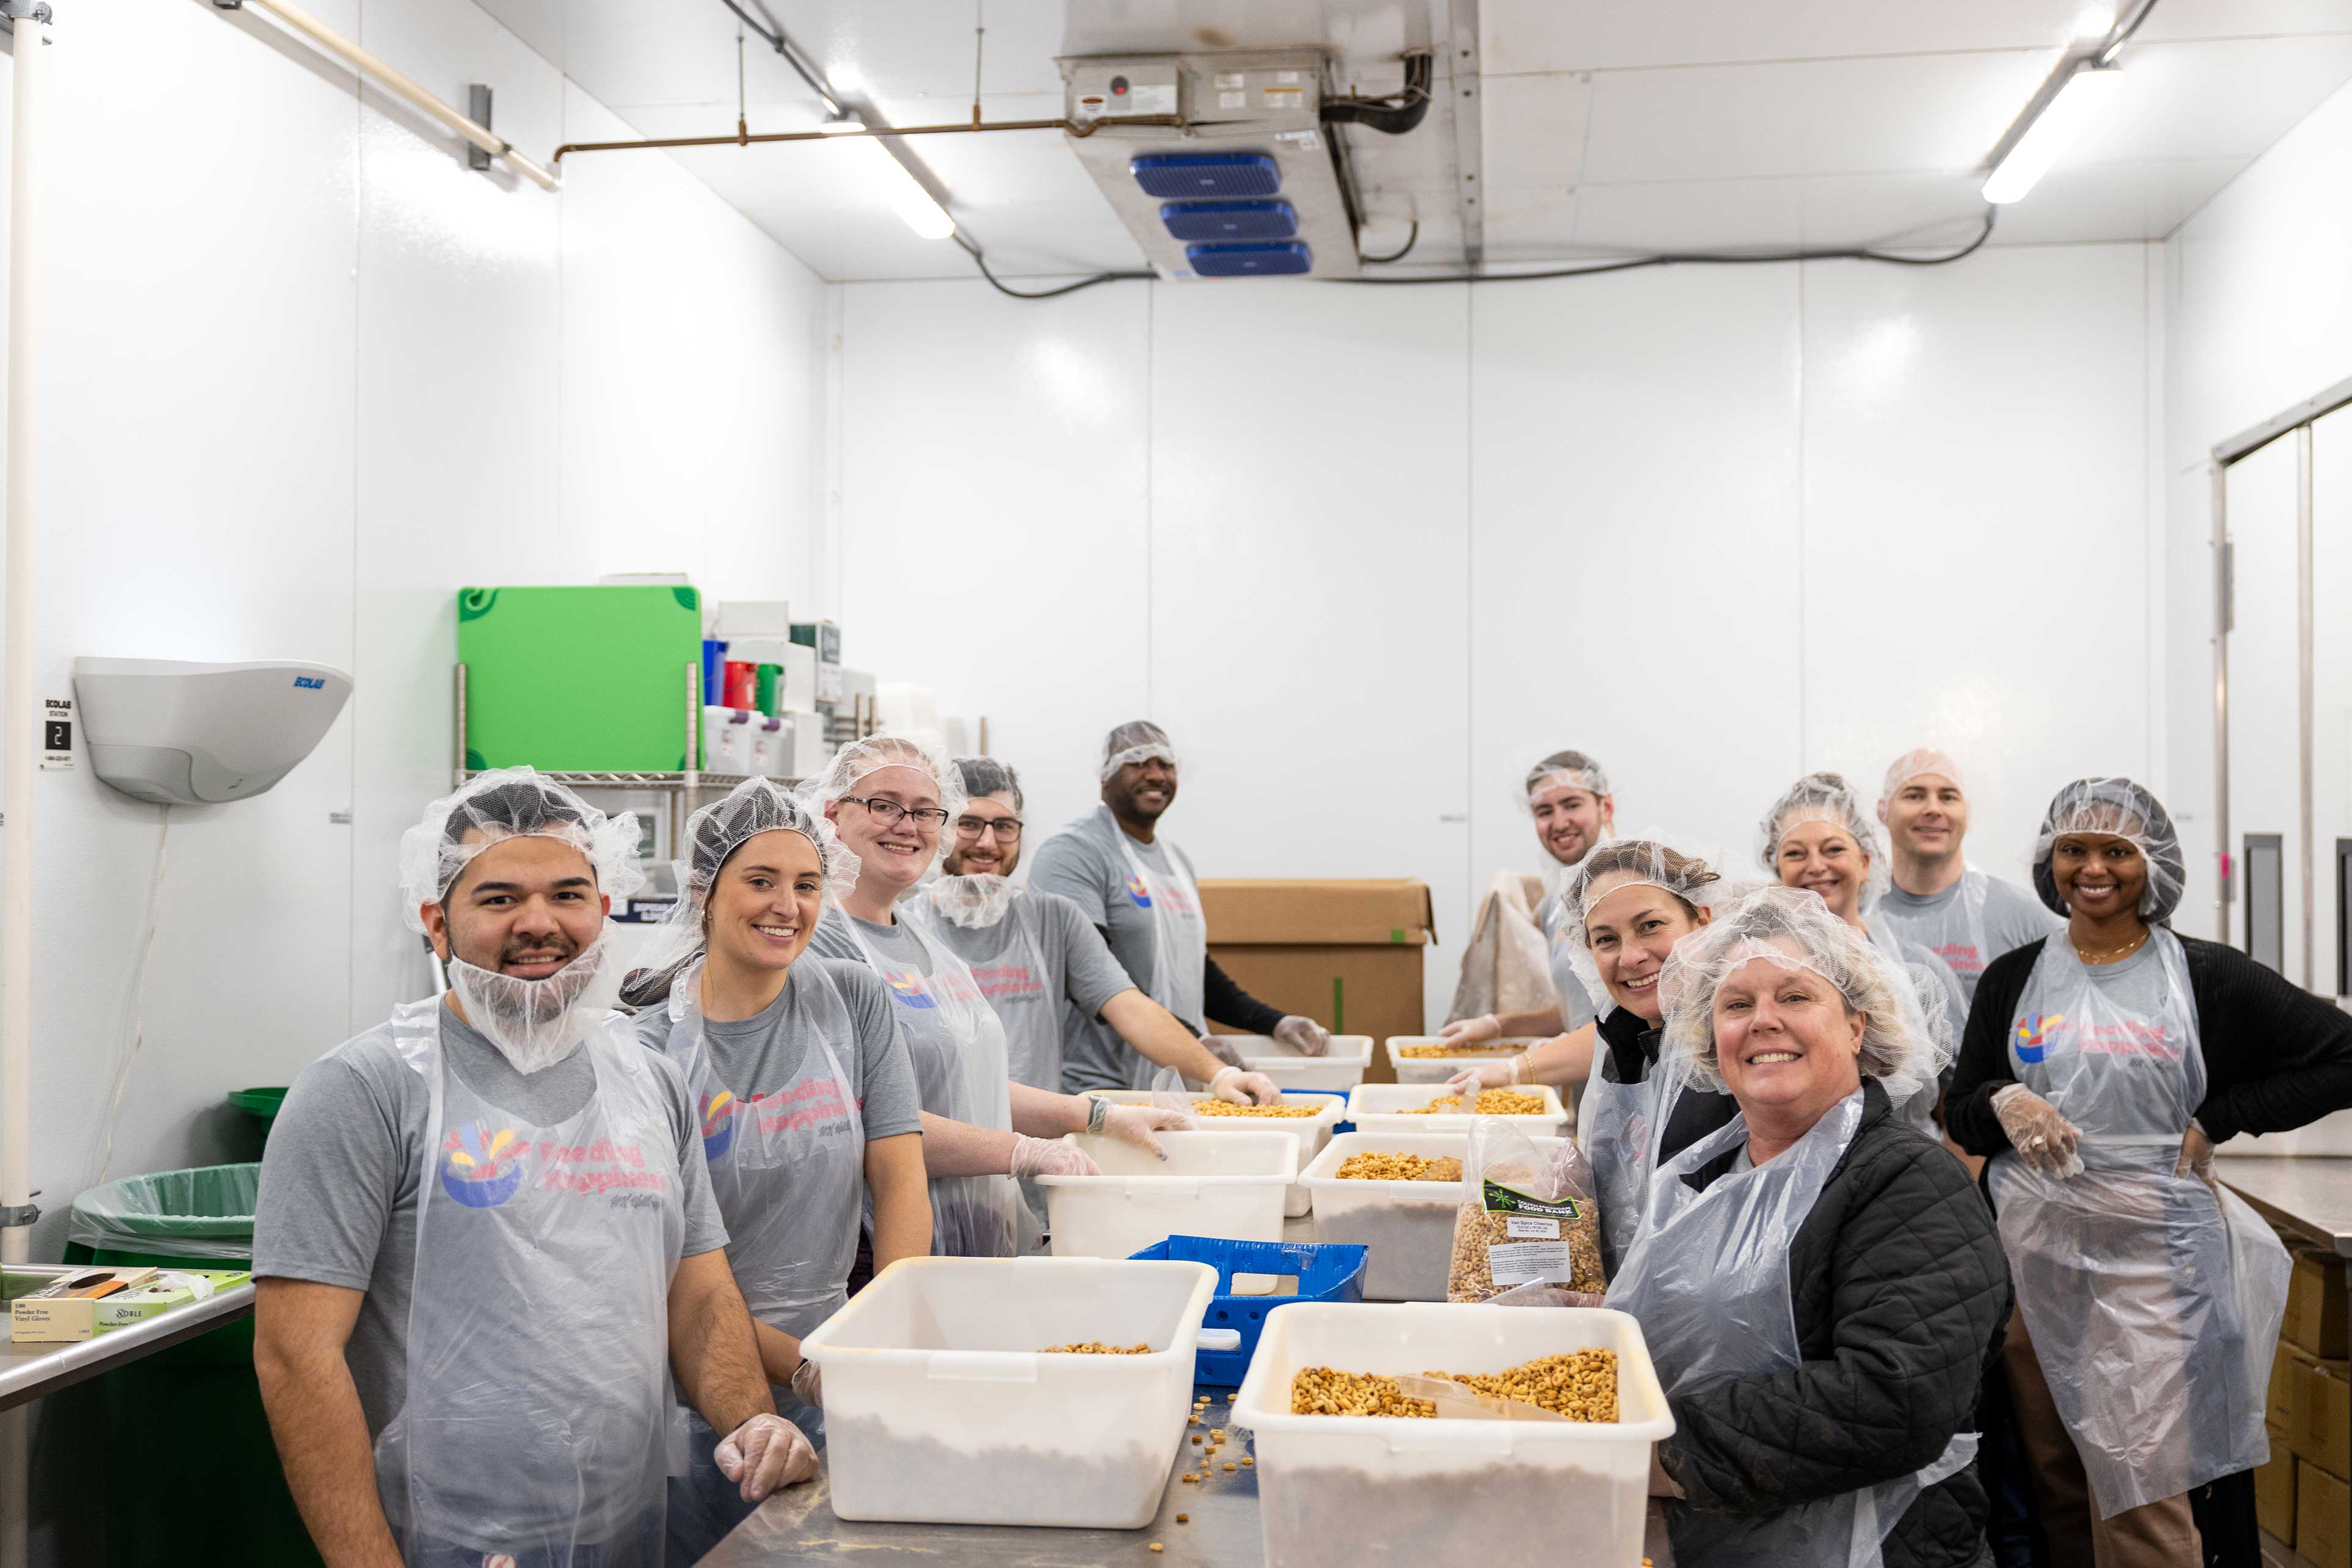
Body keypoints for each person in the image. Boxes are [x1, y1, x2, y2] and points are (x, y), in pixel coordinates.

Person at [253, 770, 813, 1567]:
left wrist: (752, 1421)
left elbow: (698, 1294)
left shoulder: (646, 1074)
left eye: (568, 893)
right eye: (498, 898)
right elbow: (294, 1356)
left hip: (630, 1526)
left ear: (604, 909)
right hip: (441, 1539)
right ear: (434, 922)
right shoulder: (366, 1086)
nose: (539, 922)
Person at [1946, 777, 2352, 1567]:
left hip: (2157, 1258)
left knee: (2141, 1480)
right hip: (2036, 1257)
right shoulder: (2013, 977)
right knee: (2058, 1472)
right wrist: (2004, 1100)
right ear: (2049, 860)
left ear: (2151, 862)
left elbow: (2342, 1054)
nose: (2092, 867)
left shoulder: (2207, 976)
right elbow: (1959, 1106)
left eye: (2115, 850)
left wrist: (2221, 1117)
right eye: (2073, 849)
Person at [1609, 885, 2011, 1566]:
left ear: (1857, 1025)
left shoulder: (1909, 1183)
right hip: (1707, 1534)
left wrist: (1657, 1453)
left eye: (1795, 996)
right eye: (1737, 1004)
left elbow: (1894, 1399)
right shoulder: (1704, 1176)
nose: (1764, 1020)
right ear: (1711, 1038)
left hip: (1874, 1543)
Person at [616, 780, 930, 1553]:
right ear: (704, 895)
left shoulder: (853, 999)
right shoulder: (646, 1051)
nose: (786, 905)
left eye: (807, 884)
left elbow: (899, 1175)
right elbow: (669, 1278)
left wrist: (886, 1335)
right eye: (760, 881)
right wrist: (814, 1369)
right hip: (695, 1389)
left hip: (845, 1358)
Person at [804, 735, 1189, 1257]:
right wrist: (1021, 1152)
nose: (907, 825)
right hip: (870, 1245)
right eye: (883, 805)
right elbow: (867, 1119)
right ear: (832, 814)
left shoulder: (919, 940)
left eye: (924, 811)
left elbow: (968, 1083)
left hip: (971, 1228)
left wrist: (1096, 1115)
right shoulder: (816, 944)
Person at [1444, 837, 1739, 1272]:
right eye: (1605, 939)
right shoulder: (1627, 1038)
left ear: (1702, 920)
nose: (1631, 956)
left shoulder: (1738, 1047)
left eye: (1650, 926)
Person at [924, 755, 1281, 1104]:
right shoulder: (906, 924)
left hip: (1042, 1139)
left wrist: (1219, 1074)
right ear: (937, 827)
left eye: (1004, 826)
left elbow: (1128, 1005)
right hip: (940, 1143)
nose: (988, 843)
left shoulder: (1054, 919)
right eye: (969, 824)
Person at [1027, 720, 1333, 1092]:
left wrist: (1274, 1022)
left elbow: (1196, 972)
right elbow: (1088, 976)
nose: (1156, 774)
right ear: (1106, 774)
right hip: (1099, 1085)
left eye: (1166, 764)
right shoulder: (1073, 853)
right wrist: (1194, 1043)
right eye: (1138, 761)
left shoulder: (1176, 862)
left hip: (1179, 1078)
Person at [1760, 771, 1968, 1130]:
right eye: (1795, 853)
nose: (1816, 866)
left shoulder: (1917, 968)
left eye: (1834, 849)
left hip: (1911, 1172)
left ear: (1865, 864)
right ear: (1779, 871)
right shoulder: (1756, 970)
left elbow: (1956, 1097)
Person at [1438, 750, 1615, 1047]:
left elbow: (1625, 1025)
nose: (1559, 824)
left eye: (1572, 805)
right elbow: (1578, 1011)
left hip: (1629, 1090)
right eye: (1544, 812)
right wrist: (1497, 1025)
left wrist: (1525, 1067)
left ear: (1605, 806)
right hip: (1587, 1090)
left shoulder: (1626, 891)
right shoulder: (1555, 906)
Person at [1873, 749, 2059, 1003]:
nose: (1933, 809)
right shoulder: (1857, 913)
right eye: (1914, 795)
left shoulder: (2025, 917)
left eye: (1948, 797)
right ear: (1883, 812)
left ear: (1967, 812)